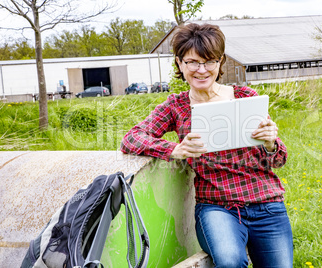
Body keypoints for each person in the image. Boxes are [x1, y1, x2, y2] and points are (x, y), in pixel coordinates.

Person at [120, 23, 293, 268]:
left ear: (220, 63)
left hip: (266, 204)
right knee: (230, 261)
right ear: (180, 63)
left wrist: (270, 142)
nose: (201, 70)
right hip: (217, 208)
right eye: (192, 62)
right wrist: (173, 150)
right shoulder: (176, 106)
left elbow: (279, 160)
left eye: (209, 61)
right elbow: (132, 137)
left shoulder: (245, 97)